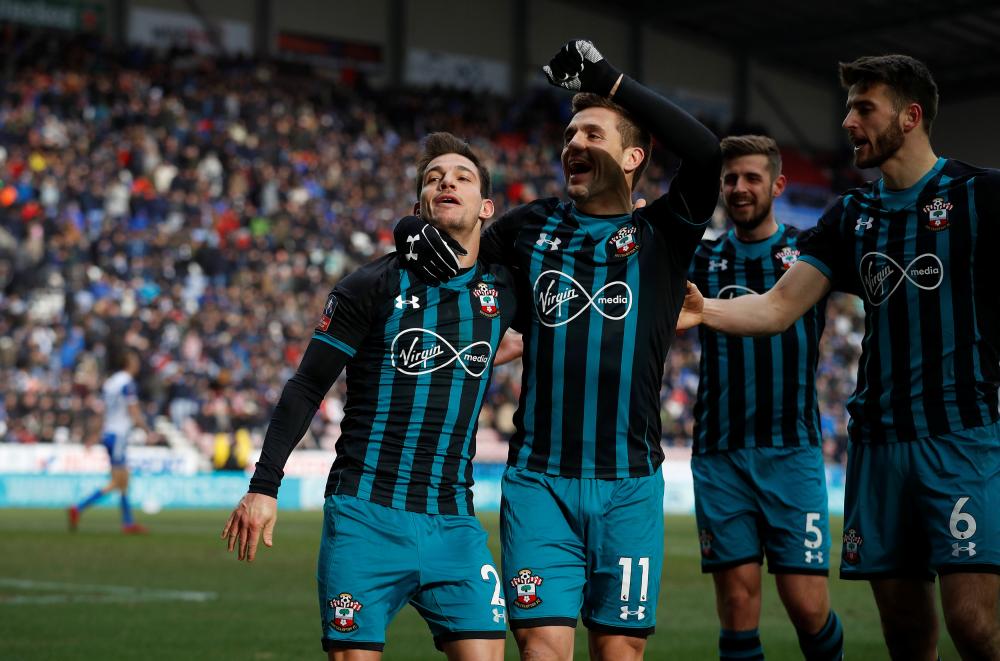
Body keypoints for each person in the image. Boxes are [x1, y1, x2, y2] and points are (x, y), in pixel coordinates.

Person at [396, 40, 721, 661]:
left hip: (629, 484)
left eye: (592, 133)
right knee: (543, 650)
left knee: (620, 653)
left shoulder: (664, 234)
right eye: (569, 132)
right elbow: (453, 249)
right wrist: (410, 229)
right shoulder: (528, 228)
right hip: (539, 482)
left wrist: (609, 79)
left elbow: (707, 151)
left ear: (633, 156)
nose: (572, 142)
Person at [678, 55, 1000, 660]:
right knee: (905, 632)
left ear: (910, 116)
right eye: (849, 106)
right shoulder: (851, 216)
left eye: (863, 107)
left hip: (961, 434)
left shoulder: (979, 196)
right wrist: (706, 312)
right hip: (877, 445)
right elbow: (777, 307)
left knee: (973, 624)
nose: (848, 120)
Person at [222, 132, 518, 660]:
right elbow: (307, 386)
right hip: (366, 515)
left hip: (455, 522)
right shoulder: (370, 285)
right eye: (433, 178)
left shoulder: (502, 287)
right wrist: (263, 486)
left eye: (462, 177)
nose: (447, 181)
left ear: (486, 208)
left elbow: (512, 336)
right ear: (417, 207)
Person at [688, 134, 843, 660]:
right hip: (719, 451)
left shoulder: (810, 252)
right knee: (736, 601)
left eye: (752, 177)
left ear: (777, 184)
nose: (739, 188)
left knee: (806, 603)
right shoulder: (702, 259)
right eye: (730, 178)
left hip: (790, 450)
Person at [68, 346, 152, 534]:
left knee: (124, 480)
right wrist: (147, 429)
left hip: (108, 434)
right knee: (118, 481)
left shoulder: (110, 383)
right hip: (119, 435)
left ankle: (128, 522)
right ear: (128, 363)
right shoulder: (127, 382)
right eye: (135, 360)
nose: (137, 364)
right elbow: (133, 410)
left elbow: (103, 412)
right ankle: (78, 508)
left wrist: (95, 434)